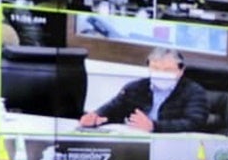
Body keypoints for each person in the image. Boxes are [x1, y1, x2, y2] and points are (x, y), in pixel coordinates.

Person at [79, 47, 208, 134]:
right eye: (156, 68)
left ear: (181, 71)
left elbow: (194, 123)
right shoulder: (135, 88)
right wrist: (95, 116)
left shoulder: (194, 92)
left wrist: (154, 126)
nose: (161, 74)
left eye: (168, 70)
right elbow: (113, 108)